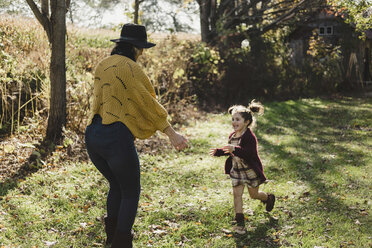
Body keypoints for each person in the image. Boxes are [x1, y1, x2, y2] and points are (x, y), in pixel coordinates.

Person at [85, 23, 188, 248]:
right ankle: (121, 244)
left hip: (93, 135)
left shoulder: (103, 64)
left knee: (116, 184)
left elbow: (105, 102)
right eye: (141, 49)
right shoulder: (131, 68)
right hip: (115, 138)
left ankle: (111, 239)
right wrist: (172, 133)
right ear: (135, 48)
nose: (142, 53)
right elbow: (147, 102)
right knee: (131, 191)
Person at [209, 100, 275, 234]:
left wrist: (235, 148)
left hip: (250, 170)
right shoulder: (232, 136)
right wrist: (220, 152)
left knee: (253, 195)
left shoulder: (249, 137)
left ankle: (268, 198)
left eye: (237, 119)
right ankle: (239, 221)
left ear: (246, 122)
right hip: (237, 170)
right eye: (233, 119)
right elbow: (231, 151)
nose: (234, 122)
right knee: (236, 195)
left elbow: (249, 154)